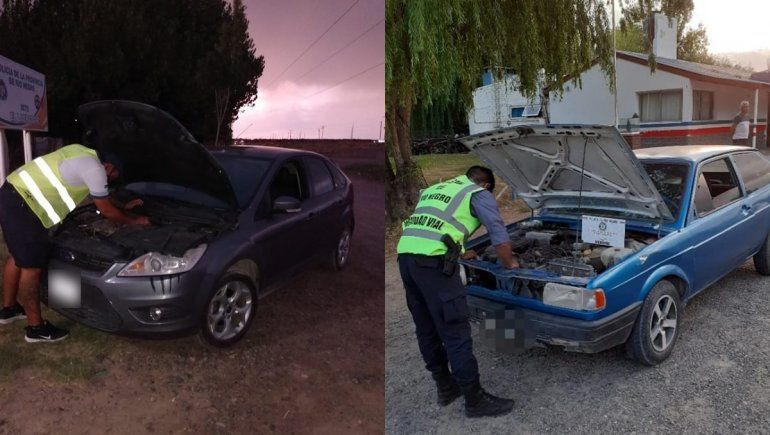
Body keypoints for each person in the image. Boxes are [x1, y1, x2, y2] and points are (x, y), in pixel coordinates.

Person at [396, 166, 518, 418]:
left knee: (427, 327)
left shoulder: (435, 188)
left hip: (407, 258)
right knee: (455, 331)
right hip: (433, 265)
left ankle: (445, 388)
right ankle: (475, 401)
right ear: (485, 186)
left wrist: (461, 250)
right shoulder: (478, 193)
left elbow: (436, 224)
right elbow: (497, 231)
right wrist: (510, 264)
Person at [0, 144, 150, 342]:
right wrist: (135, 220)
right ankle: (36, 328)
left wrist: (124, 206)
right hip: (25, 204)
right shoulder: (95, 169)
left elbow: (101, 196)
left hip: (12, 194)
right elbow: (106, 210)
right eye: (112, 177)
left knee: (17, 255)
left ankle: (9, 310)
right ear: (108, 167)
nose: (109, 181)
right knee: (31, 267)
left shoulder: (80, 153)